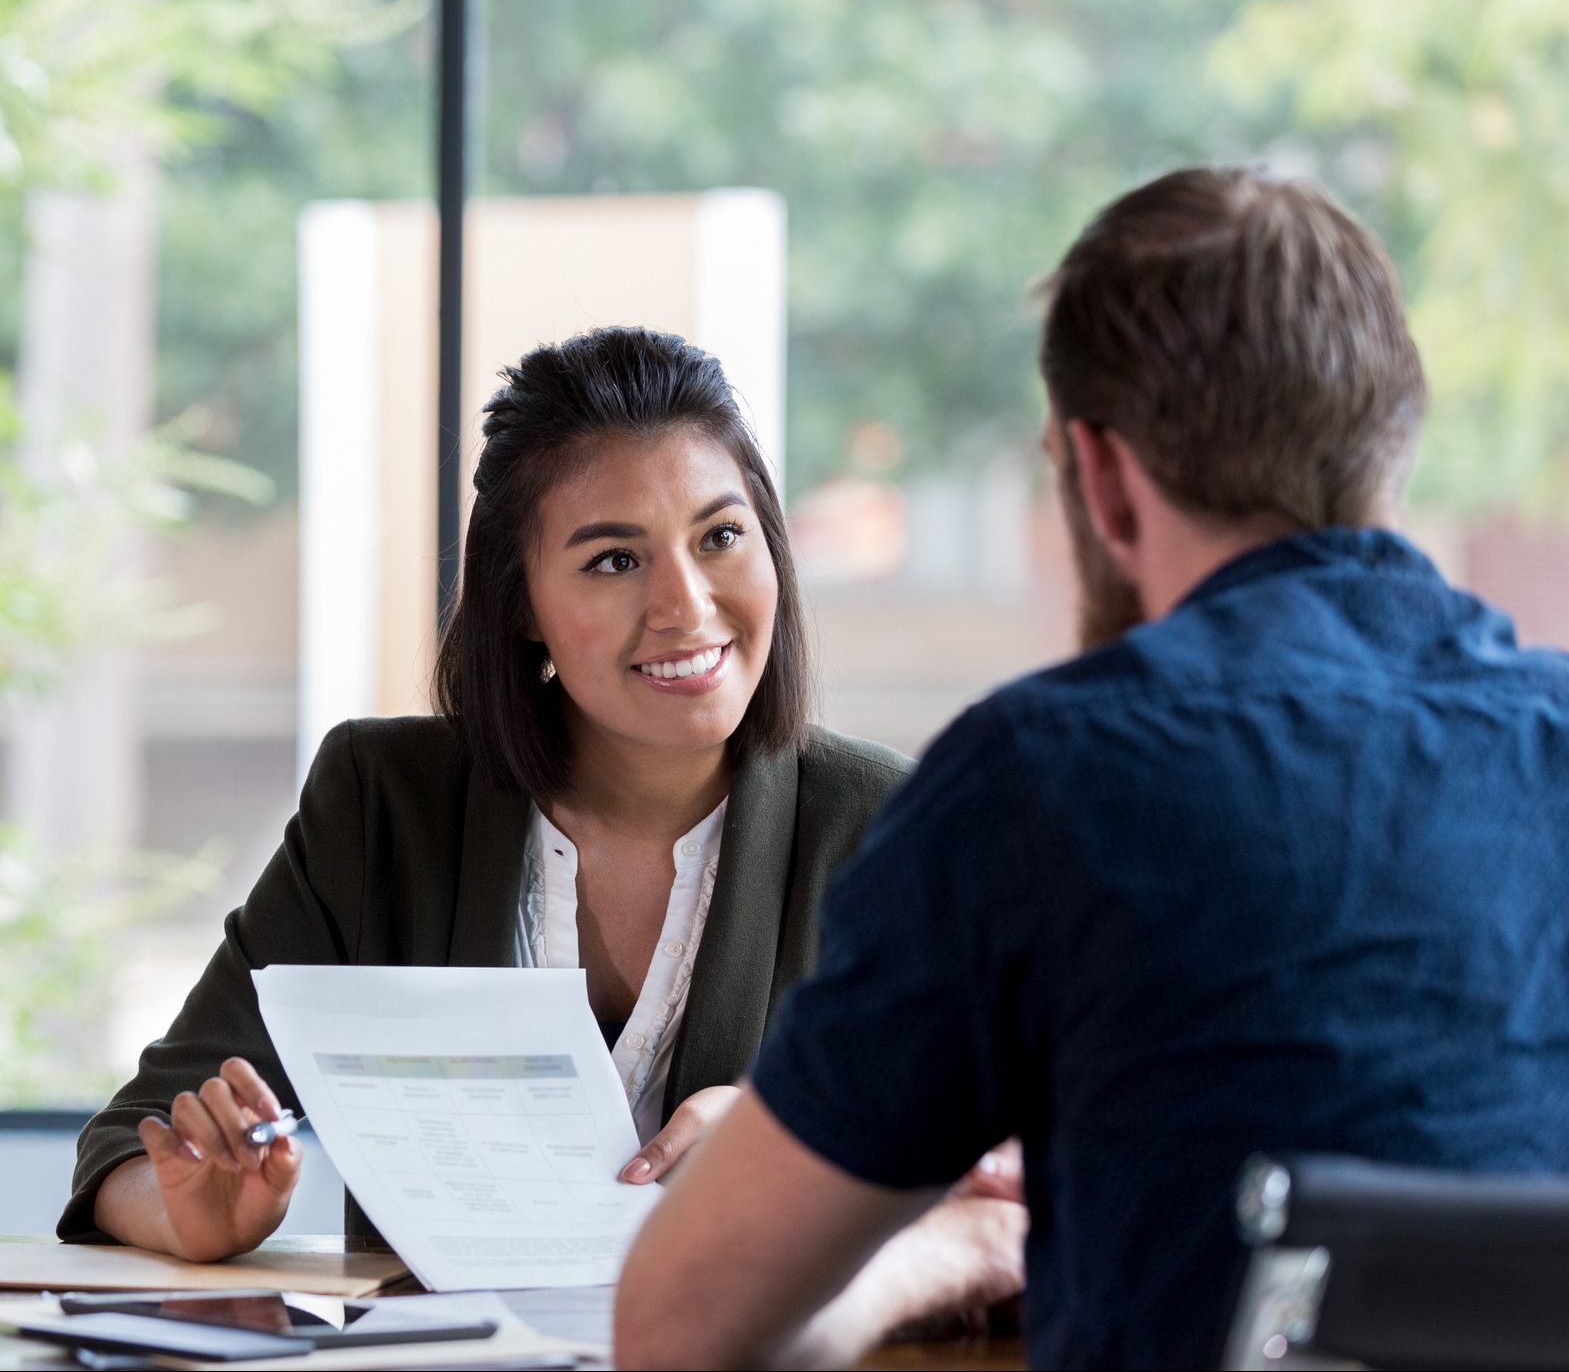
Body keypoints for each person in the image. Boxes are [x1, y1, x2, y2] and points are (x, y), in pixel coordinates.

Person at [613, 168, 1569, 1371]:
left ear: (1100, 476)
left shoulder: (1046, 780)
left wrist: (948, 1252)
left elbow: (678, 1330)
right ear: (1394, 438)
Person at [60, 328, 1025, 1331]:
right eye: (614, 560)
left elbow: (1012, 1178)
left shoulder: (891, 829)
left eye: (721, 537)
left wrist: (801, 1148)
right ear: (521, 602)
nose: (686, 605)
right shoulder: (384, 805)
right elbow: (133, 1142)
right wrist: (187, 1216)